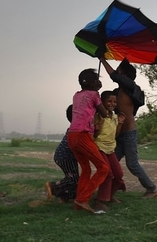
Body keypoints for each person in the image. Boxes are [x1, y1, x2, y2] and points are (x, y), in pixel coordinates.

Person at [99, 57, 157, 198]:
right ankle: (109, 193)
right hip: (120, 132)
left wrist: (102, 59)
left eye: (119, 70)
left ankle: (152, 188)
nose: (117, 72)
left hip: (129, 133)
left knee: (132, 164)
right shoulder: (118, 91)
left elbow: (114, 76)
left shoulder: (131, 87)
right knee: (110, 163)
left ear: (123, 74)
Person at [67, 68, 110, 213]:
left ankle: (79, 203)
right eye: (97, 79)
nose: (100, 82)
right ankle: (82, 199)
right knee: (103, 168)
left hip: (72, 135)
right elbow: (104, 113)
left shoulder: (76, 95)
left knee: (86, 169)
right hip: (83, 135)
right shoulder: (94, 94)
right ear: (92, 83)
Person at [93, 90, 127, 211]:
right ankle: (100, 201)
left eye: (115, 102)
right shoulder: (98, 116)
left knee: (118, 174)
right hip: (99, 147)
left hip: (110, 148)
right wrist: (97, 127)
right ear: (102, 102)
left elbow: (115, 134)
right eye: (109, 101)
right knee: (107, 174)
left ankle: (110, 196)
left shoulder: (114, 117)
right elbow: (95, 135)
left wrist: (121, 123)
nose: (112, 104)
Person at [45, 105, 79, 203]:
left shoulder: (73, 127)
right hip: (66, 157)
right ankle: (53, 186)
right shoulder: (76, 129)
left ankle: (65, 196)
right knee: (74, 179)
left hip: (64, 156)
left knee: (72, 177)